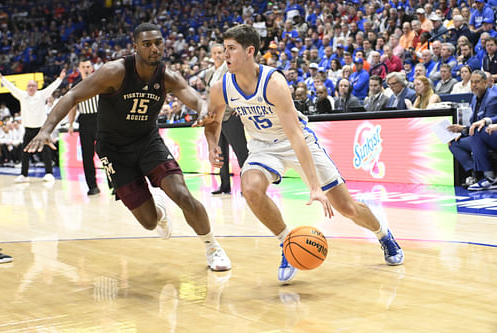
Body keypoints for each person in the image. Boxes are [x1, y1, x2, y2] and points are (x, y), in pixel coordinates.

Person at [24, 23, 231, 271]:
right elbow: (72, 96)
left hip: (147, 142)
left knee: (182, 195)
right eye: (147, 44)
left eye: (158, 42)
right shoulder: (115, 72)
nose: (154, 48)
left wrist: (204, 111)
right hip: (114, 149)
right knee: (149, 222)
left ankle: (212, 247)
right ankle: (160, 212)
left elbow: (195, 99)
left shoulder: (167, 76)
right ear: (135, 47)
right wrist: (46, 129)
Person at [205, 24, 403, 283]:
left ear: (250, 51)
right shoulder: (221, 87)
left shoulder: (273, 83)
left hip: (295, 141)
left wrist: (314, 187)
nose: (225, 54)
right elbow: (213, 122)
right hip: (263, 146)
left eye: (231, 49)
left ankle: (383, 234)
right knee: (251, 189)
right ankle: (288, 243)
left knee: (347, 208)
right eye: (224, 49)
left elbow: (296, 136)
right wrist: (211, 143)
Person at [0, 68, 66, 183]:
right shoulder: (22, 95)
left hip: (41, 130)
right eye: (29, 86)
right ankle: (24, 175)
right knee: (24, 152)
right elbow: (11, 87)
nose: (31, 88)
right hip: (28, 129)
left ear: (37, 87)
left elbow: (52, 87)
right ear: (26, 87)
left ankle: (49, 173)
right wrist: (1, 78)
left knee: (46, 151)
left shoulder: (41, 95)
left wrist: (60, 79)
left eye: (33, 86)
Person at [204, 43, 248, 195]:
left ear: (225, 54)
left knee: (241, 152)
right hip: (216, 119)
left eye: (220, 52)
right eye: (214, 53)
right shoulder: (209, 73)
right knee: (220, 153)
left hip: (230, 116)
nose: (217, 55)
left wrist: (239, 106)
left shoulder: (231, 69)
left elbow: (241, 87)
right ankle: (224, 185)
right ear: (211, 55)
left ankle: (247, 186)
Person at [447, 71, 497, 188]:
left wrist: (466, 129)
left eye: (477, 82)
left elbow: (487, 123)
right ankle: (474, 173)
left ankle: (490, 177)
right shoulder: (474, 98)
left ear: (485, 83)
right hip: (479, 135)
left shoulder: (492, 98)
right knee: (454, 143)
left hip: (491, 135)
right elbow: (474, 123)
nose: (474, 85)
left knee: (476, 132)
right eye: (472, 82)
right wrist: (463, 131)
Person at [68, 58, 101, 196]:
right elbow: (72, 107)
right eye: (84, 67)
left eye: (88, 66)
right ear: (80, 69)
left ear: (92, 68)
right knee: (87, 156)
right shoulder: (75, 86)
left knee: (107, 152)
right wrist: (70, 124)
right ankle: (92, 186)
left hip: (100, 119)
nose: (86, 69)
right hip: (85, 121)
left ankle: (115, 184)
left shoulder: (100, 81)